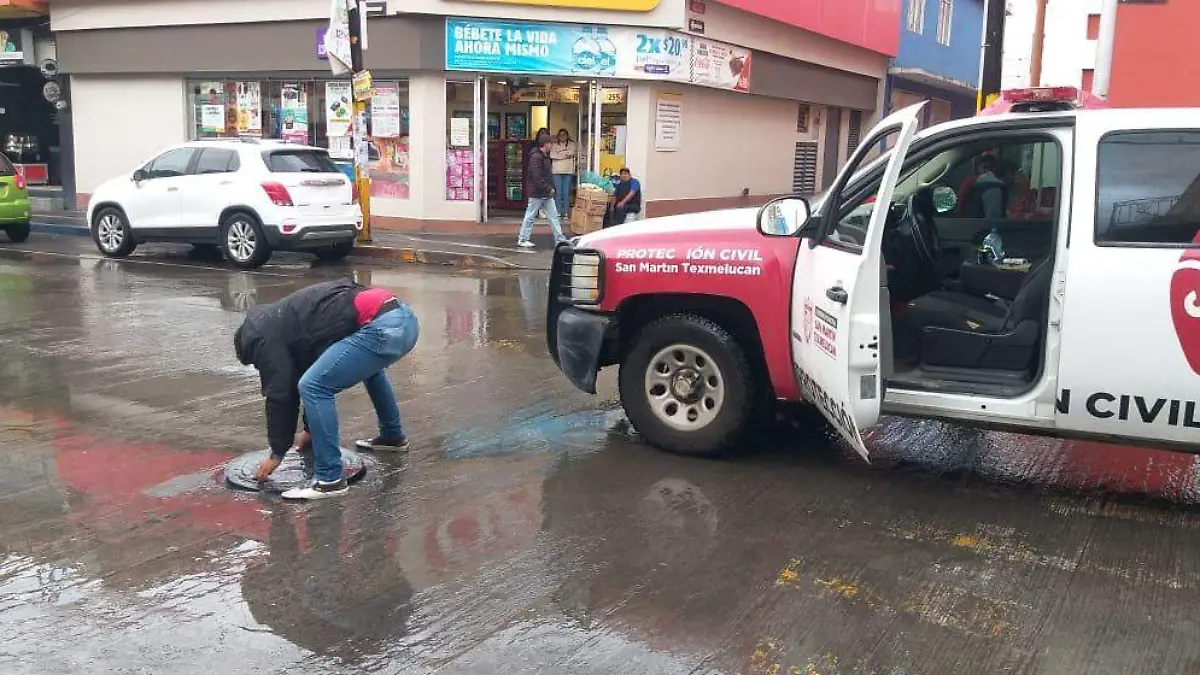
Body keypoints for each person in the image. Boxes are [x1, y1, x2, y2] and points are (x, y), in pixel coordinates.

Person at [235, 279, 420, 500]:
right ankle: (392, 437)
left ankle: (329, 479)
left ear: (251, 348)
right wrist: (309, 429)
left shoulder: (265, 339)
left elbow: (281, 392)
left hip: (383, 327)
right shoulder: (289, 319)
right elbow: (313, 367)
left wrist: (277, 452)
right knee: (368, 369)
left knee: (313, 387)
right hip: (404, 318)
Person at [517, 131, 567, 248]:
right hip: (537, 193)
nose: (552, 146)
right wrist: (549, 188)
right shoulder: (537, 157)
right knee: (531, 216)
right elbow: (537, 176)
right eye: (551, 144)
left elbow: (541, 176)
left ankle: (559, 239)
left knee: (553, 217)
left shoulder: (542, 157)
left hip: (544, 192)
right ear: (546, 144)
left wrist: (549, 188)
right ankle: (523, 239)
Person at [549, 129, 577, 217]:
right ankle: (558, 211)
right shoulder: (554, 144)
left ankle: (565, 212)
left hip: (568, 171)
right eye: (560, 134)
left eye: (564, 134)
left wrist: (559, 153)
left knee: (566, 193)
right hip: (556, 172)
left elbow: (572, 153)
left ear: (567, 135)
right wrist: (565, 154)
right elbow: (552, 155)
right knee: (558, 193)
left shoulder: (572, 144)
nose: (562, 136)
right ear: (558, 135)